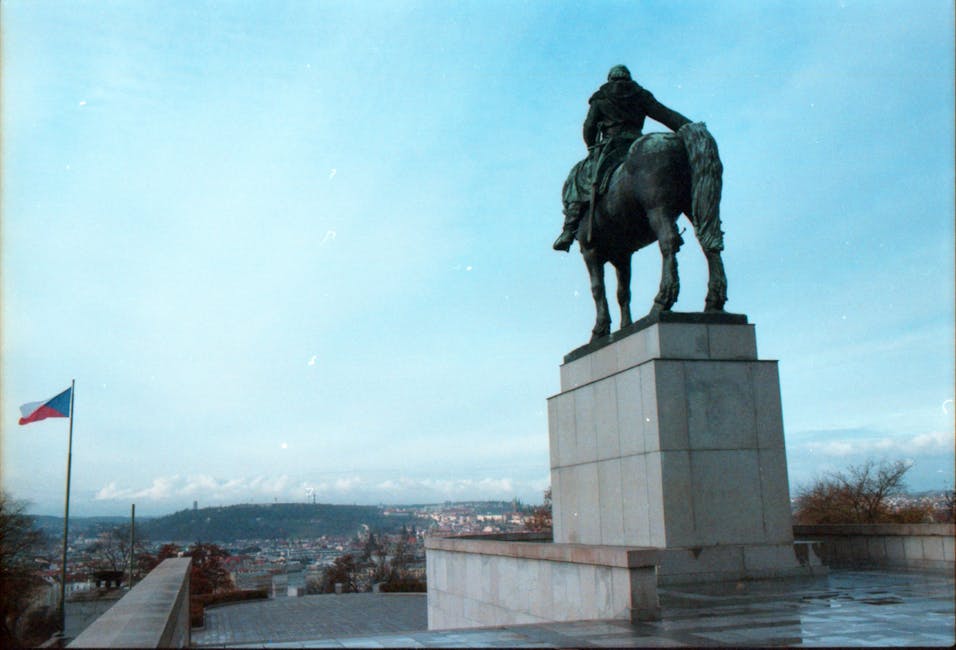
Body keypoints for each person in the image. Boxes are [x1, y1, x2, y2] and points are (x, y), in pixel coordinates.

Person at [553, 65, 692, 251]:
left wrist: (591, 147)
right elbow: (665, 115)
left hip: (611, 147)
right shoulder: (640, 95)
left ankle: (569, 230)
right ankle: (669, 224)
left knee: (579, 177)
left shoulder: (601, 97)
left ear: (610, 78)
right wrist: (689, 127)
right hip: (636, 143)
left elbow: (589, 127)